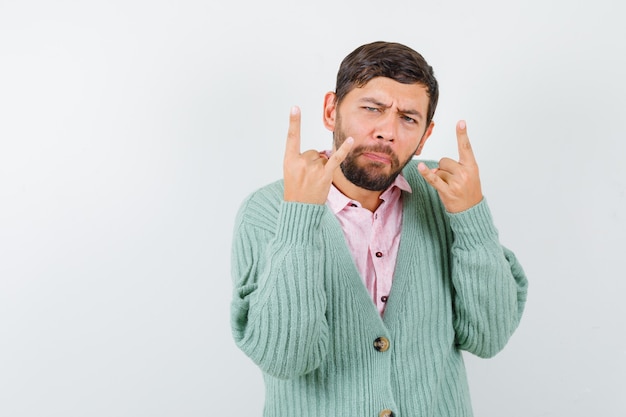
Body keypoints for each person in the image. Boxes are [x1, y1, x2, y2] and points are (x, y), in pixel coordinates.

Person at [230, 41, 528, 417]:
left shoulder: (444, 196)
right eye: (372, 109)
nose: (387, 131)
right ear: (331, 110)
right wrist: (300, 216)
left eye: (408, 119)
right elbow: (286, 358)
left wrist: (472, 218)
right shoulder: (268, 211)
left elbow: (488, 336)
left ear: (425, 135)